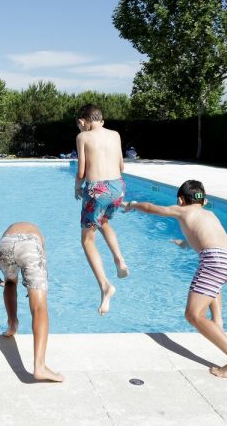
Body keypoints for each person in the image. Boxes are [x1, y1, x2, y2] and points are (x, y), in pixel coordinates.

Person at [123, 180, 227, 378]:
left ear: (181, 200)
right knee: (213, 281)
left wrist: (133, 205)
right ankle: (217, 321)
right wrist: (185, 243)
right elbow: (208, 236)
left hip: (217, 260)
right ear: (204, 201)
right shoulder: (209, 214)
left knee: (193, 315)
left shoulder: (182, 210)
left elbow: (150, 208)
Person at [0, 222, 64, 382]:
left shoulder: (8, 235)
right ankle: (40, 367)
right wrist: (35, 288)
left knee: (10, 282)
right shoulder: (37, 234)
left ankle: (12, 325)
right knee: (39, 307)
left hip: (4, 245)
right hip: (31, 246)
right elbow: (42, 261)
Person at [74, 104, 129, 315]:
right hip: (118, 187)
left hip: (97, 189)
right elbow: (122, 166)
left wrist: (77, 186)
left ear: (83, 121)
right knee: (103, 222)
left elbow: (81, 171)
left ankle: (105, 287)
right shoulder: (115, 134)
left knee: (87, 239)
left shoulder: (83, 137)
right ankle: (119, 259)